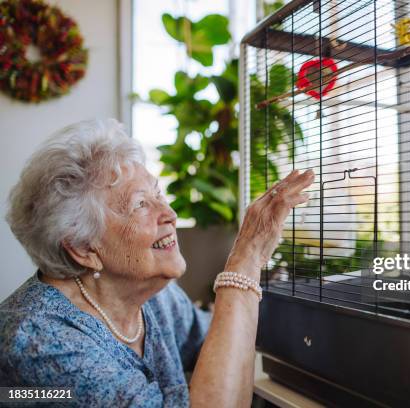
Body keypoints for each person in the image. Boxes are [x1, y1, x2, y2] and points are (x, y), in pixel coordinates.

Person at [0, 119, 314, 407]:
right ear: (83, 248)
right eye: (140, 205)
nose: (170, 215)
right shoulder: (39, 344)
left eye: (158, 194)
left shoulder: (154, 297)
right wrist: (246, 260)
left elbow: (211, 340)